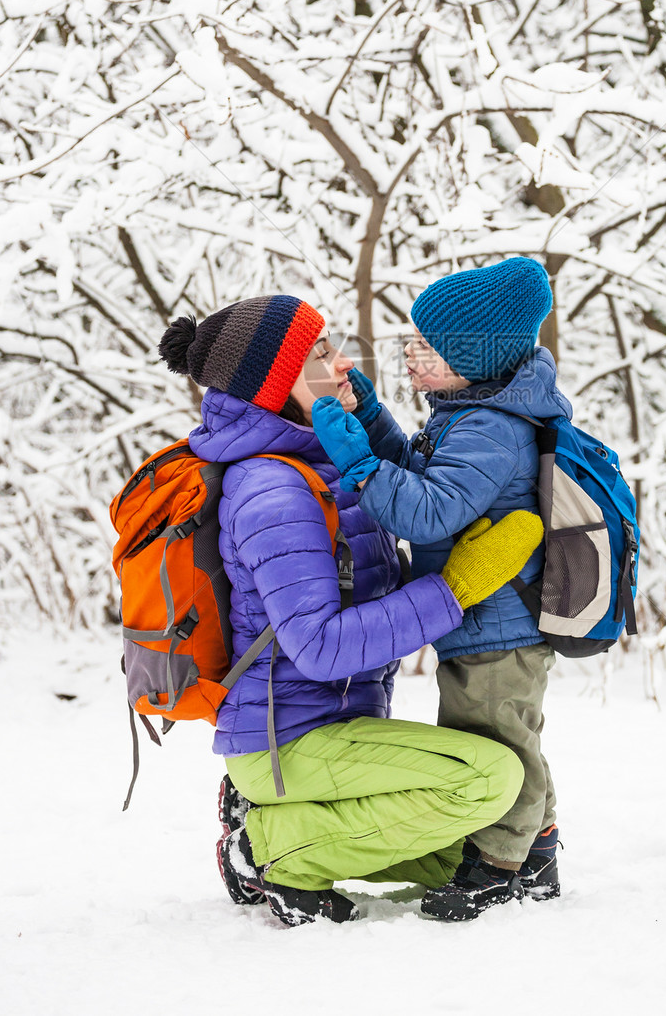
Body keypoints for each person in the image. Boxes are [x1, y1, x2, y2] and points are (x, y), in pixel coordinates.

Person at [157, 293, 543, 928]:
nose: (341, 364)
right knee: (490, 782)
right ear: (279, 380)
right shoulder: (274, 489)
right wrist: (455, 590)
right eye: (319, 354)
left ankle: (271, 824)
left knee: (472, 851)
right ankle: (267, 850)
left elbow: (411, 483)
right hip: (291, 741)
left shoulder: (317, 462)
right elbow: (319, 646)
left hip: (332, 729)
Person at [311, 257, 572, 921]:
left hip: (499, 624)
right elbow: (420, 473)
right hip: (481, 619)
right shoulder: (472, 411)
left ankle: (500, 867)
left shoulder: (492, 430)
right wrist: (368, 416)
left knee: (497, 742)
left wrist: (355, 461)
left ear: (477, 359)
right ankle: (534, 849)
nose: (410, 354)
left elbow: (427, 510)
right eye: (412, 340)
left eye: (428, 348)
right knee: (505, 733)